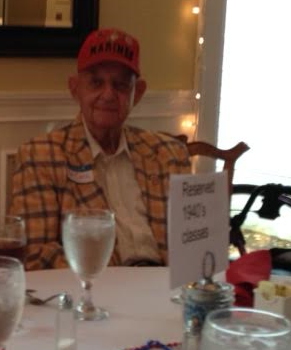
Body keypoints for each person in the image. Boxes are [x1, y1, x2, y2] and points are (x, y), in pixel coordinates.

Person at [10, 27, 191, 270]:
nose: (108, 94)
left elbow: (192, 242)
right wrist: (105, 276)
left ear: (137, 93)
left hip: (165, 285)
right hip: (94, 287)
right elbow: (36, 255)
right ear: (75, 88)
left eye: (120, 85)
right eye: (96, 83)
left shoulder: (170, 154)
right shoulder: (41, 156)